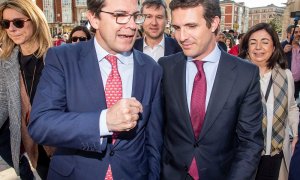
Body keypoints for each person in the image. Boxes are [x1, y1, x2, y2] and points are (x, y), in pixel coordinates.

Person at [28, 0, 163, 179]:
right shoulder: (62, 58)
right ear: (94, 18)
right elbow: (41, 124)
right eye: (120, 16)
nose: (132, 26)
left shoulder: (151, 68)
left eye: (135, 17)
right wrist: (104, 122)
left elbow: (153, 140)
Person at [158, 0, 263, 179]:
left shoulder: (246, 74)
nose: (182, 36)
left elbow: (250, 143)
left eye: (191, 26)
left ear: (214, 23)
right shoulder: (165, 67)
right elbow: (157, 130)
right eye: (176, 27)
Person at [0, 0, 53, 179]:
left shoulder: (57, 57)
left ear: (35, 20)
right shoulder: (5, 63)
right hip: (31, 148)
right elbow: (2, 105)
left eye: (18, 22)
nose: (12, 29)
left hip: (61, 145)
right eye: (6, 24)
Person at [239, 22, 299, 180]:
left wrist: (297, 131)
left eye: (265, 42)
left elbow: (292, 107)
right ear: (247, 47)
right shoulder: (237, 76)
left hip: (275, 153)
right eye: (253, 42)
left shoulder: (286, 76)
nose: (258, 47)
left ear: (274, 47)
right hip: (244, 155)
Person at [281, 25, 300, 100]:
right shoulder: (281, 46)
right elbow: (272, 60)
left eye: (299, 32)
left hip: (297, 83)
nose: (298, 34)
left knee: (294, 101)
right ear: (289, 34)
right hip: (285, 82)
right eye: (296, 32)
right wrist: (283, 52)